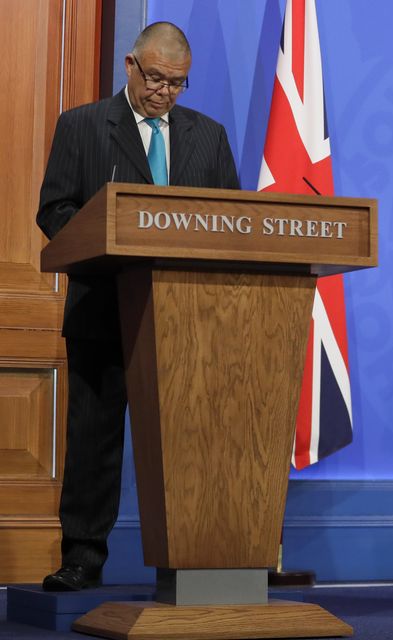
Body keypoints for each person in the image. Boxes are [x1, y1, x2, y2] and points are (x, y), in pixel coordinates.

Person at [36, 22, 239, 591]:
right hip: (103, 310)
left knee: (189, 445)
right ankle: (82, 557)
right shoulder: (81, 126)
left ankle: (196, 559)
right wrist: (104, 241)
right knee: (94, 440)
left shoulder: (209, 136)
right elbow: (53, 211)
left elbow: (231, 226)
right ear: (130, 66)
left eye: (177, 83)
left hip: (186, 321)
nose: (164, 92)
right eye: (155, 78)